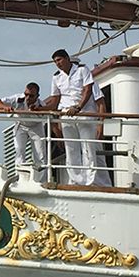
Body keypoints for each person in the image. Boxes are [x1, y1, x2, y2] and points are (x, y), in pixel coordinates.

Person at [32, 49, 97, 185]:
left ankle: (89, 181)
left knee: (87, 147)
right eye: (55, 61)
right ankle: (76, 180)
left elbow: (88, 90)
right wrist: (41, 109)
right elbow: (55, 99)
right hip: (66, 114)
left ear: (67, 58)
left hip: (84, 113)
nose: (57, 63)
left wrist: (78, 107)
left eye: (59, 60)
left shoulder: (82, 70)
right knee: (71, 148)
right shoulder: (56, 77)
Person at [0, 82, 46, 181]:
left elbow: (51, 113)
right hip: (21, 125)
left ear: (37, 96)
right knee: (19, 151)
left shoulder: (42, 105)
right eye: (26, 94)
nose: (28, 98)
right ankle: (20, 178)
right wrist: (5, 107)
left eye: (31, 96)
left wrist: (38, 110)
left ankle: (41, 180)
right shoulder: (18, 99)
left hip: (36, 127)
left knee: (40, 154)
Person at [92, 82, 113, 187]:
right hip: (76, 125)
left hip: (91, 125)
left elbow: (101, 104)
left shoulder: (90, 84)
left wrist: (100, 124)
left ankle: (105, 184)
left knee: (97, 156)